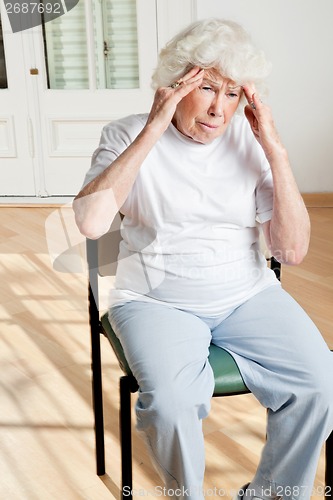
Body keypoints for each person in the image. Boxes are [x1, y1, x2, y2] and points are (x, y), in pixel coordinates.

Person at [73, 18, 333, 500]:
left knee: (321, 384)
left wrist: (274, 149)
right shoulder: (126, 134)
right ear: (174, 85)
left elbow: (291, 251)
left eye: (232, 94)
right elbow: (90, 224)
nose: (219, 109)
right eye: (207, 88)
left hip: (247, 295)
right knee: (171, 406)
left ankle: (271, 495)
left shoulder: (250, 143)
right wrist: (153, 127)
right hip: (154, 301)